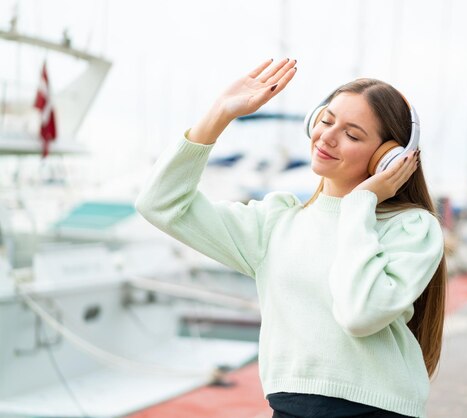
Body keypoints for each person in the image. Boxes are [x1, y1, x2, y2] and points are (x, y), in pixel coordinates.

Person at [135, 58, 447, 418]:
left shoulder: (410, 228)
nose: (327, 136)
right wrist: (219, 114)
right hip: (289, 408)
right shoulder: (275, 223)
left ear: (389, 158)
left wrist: (361, 203)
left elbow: (360, 314)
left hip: (378, 411)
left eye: (352, 134)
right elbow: (159, 203)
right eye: (326, 121)